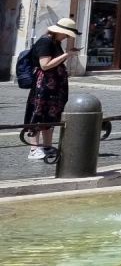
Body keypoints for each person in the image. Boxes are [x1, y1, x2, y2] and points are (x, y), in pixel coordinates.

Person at [21, 19, 78, 162]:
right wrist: (67, 55)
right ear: (59, 32)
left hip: (54, 85)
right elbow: (45, 65)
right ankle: (34, 149)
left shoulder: (55, 42)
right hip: (44, 84)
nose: (67, 37)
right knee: (38, 112)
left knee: (51, 114)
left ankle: (46, 146)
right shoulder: (45, 42)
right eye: (66, 34)